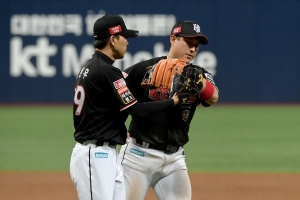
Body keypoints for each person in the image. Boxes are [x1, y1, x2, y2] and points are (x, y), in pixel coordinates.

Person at [69, 14, 180, 200]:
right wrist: (172, 101)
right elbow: (137, 111)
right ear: (112, 39)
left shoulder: (90, 67)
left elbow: (102, 110)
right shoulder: (107, 71)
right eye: (124, 37)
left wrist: (116, 130)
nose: (127, 42)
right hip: (95, 155)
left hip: (105, 153)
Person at [118, 20, 219, 200]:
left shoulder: (198, 74)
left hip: (175, 159)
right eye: (188, 43)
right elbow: (115, 95)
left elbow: (213, 98)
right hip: (138, 157)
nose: (193, 49)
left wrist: (200, 82)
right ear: (173, 39)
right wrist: (116, 127)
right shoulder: (145, 68)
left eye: (196, 46)